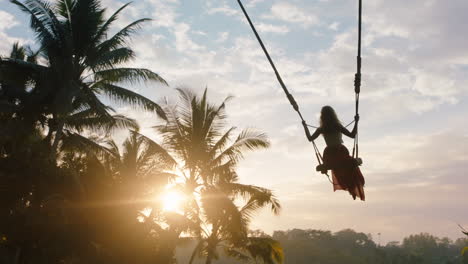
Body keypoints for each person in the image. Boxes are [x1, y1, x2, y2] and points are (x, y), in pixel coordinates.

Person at [302, 106, 365, 201]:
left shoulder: (322, 128)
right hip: (340, 152)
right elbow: (352, 135)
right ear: (333, 115)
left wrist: (305, 127)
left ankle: (350, 189)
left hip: (329, 155)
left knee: (339, 171)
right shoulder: (337, 126)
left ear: (322, 117)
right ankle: (352, 188)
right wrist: (356, 122)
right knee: (351, 168)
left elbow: (310, 138)